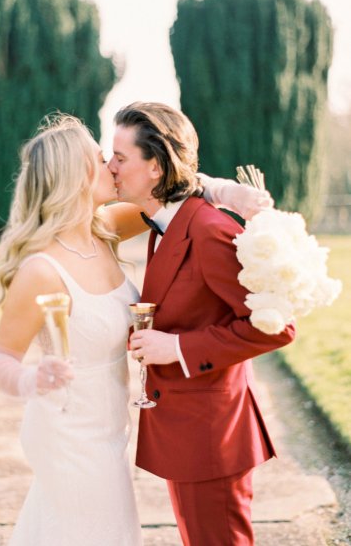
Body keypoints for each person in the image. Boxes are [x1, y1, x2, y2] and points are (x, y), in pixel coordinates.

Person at [0, 114, 273, 546]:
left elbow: (172, 192)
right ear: (75, 177)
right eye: (103, 159)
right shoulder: (41, 269)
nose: (113, 167)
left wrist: (226, 191)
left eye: (116, 158)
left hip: (111, 431)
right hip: (67, 431)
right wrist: (32, 377)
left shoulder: (105, 230)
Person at [108, 102, 296, 546]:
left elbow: (276, 325)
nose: (109, 166)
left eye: (119, 157)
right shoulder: (163, 222)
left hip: (213, 437)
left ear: (154, 166)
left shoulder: (209, 230)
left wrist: (177, 349)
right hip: (189, 432)